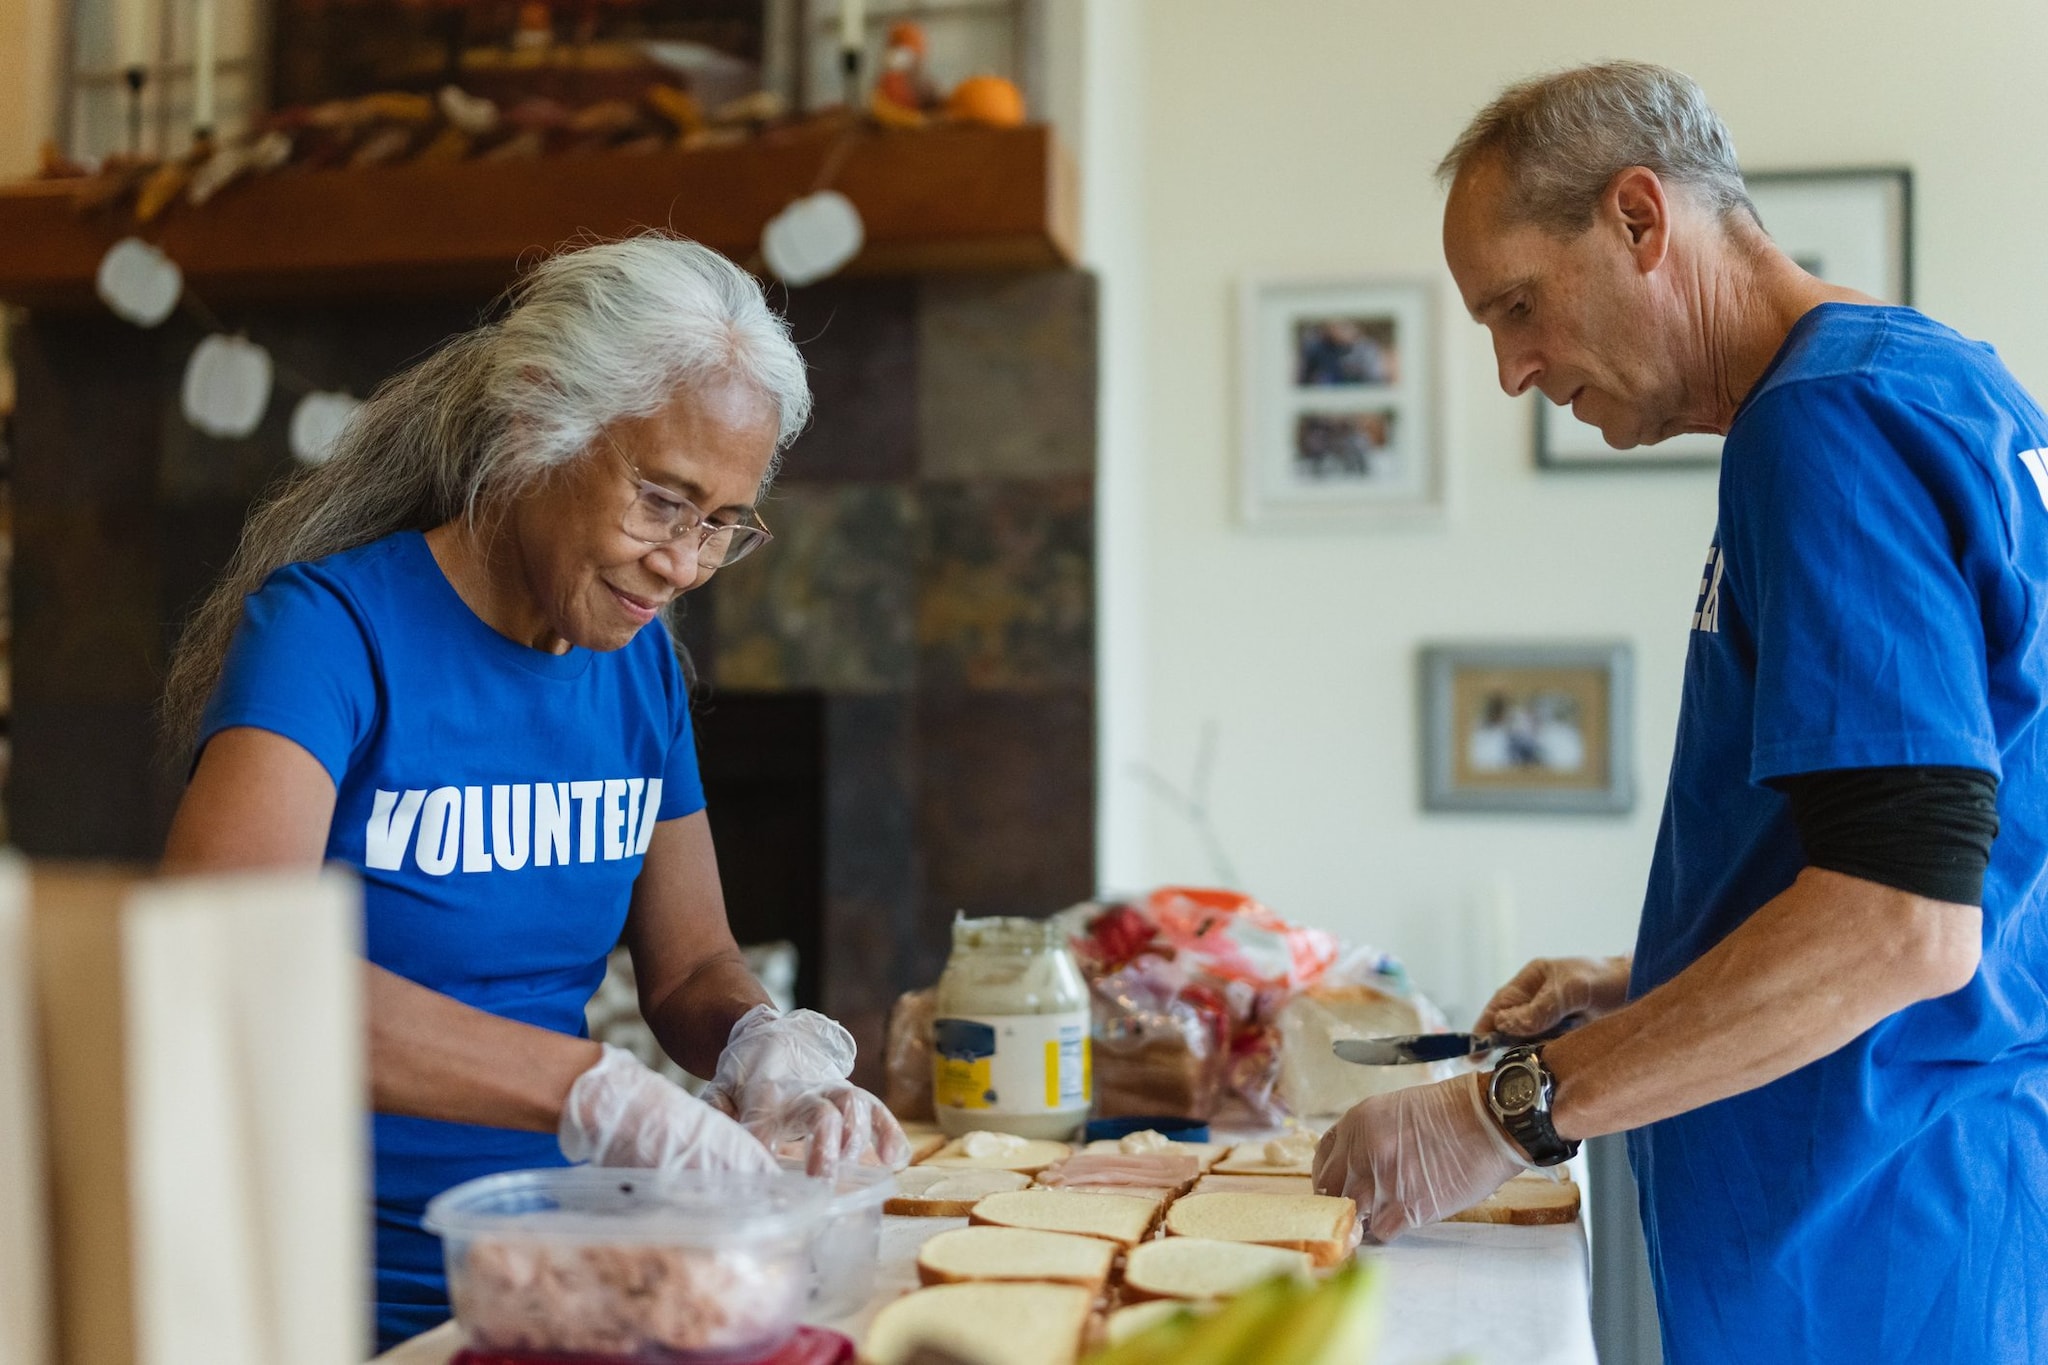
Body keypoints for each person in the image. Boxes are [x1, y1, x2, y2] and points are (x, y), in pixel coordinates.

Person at [1313, 62, 2048, 1363]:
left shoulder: (1825, 425)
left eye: (1518, 306)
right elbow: (1956, 864)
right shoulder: (1929, 383)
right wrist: (1643, 977)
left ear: (1639, 220)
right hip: (1927, 1205)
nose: (1512, 370)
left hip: (1871, 1250)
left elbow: (1898, 924)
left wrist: (1502, 1113)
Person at [157, 235, 910, 1350]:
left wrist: (764, 1048)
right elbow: (228, 962)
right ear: (534, 417)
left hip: (543, 1270)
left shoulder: (639, 668)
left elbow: (689, 967)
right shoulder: (329, 633)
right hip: (312, 1287)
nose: (684, 564)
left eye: (720, 523)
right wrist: (593, 1089)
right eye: (661, 501)